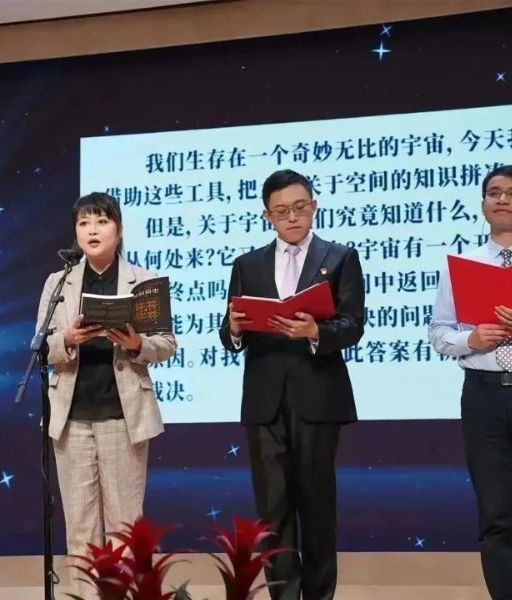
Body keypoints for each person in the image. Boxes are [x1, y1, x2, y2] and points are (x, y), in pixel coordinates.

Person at [219, 169, 365, 600]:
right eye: (282, 211)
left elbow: (353, 325)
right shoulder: (247, 264)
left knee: (317, 507)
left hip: (318, 397)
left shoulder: (340, 257)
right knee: (272, 511)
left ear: (314, 206)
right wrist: (234, 329)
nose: (293, 217)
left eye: (300, 208)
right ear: (267, 215)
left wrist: (315, 332)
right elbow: (230, 333)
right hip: (264, 401)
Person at [35, 192, 176, 599]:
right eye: (84, 223)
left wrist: (136, 344)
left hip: (122, 416)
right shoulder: (58, 282)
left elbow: (165, 344)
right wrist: (67, 338)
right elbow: (40, 346)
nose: (92, 230)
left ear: (119, 229)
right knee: (80, 525)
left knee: (124, 524)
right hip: (71, 417)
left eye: (101, 221)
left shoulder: (143, 281)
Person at [428, 164, 512, 600]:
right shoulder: (462, 265)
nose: (502, 199)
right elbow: (439, 332)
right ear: (483, 203)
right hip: (483, 397)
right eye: (494, 192)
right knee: (494, 516)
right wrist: (470, 339)